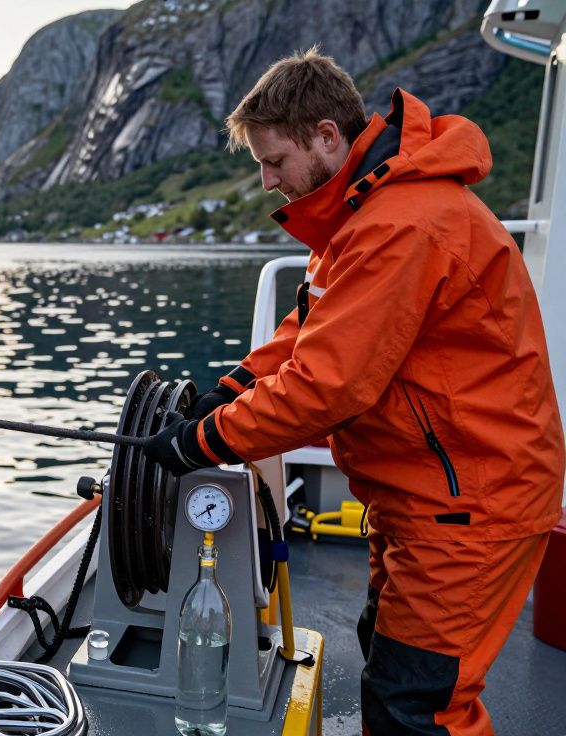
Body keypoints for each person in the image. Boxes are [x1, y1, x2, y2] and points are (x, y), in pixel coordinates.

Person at [143, 48, 566, 735]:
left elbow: (325, 386)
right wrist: (229, 390)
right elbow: (311, 327)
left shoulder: (402, 225)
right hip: (421, 493)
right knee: (392, 664)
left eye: (275, 160)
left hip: (471, 501)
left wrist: (200, 442)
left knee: (420, 708)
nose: (266, 179)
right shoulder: (363, 211)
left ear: (327, 136)